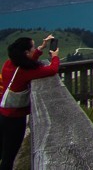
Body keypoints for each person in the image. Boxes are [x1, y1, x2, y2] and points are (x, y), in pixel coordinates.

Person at [2, 34, 60, 170]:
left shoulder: (9, 64)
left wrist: (41, 48)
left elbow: (26, 63)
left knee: (3, 152)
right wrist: (55, 57)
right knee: (9, 157)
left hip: (3, 115)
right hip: (15, 120)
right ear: (26, 52)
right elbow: (52, 69)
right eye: (33, 47)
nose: (35, 49)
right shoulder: (25, 72)